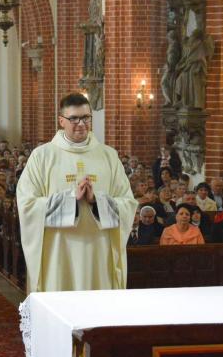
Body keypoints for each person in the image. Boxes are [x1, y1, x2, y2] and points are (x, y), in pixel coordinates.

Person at [18, 92, 137, 293]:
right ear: (61, 121)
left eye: (86, 118)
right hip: (58, 252)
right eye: (74, 118)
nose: (81, 124)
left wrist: (97, 201)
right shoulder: (42, 156)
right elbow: (27, 205)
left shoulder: (108, 156)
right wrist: (70, 199)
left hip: (99, 251)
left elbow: (128, 203)